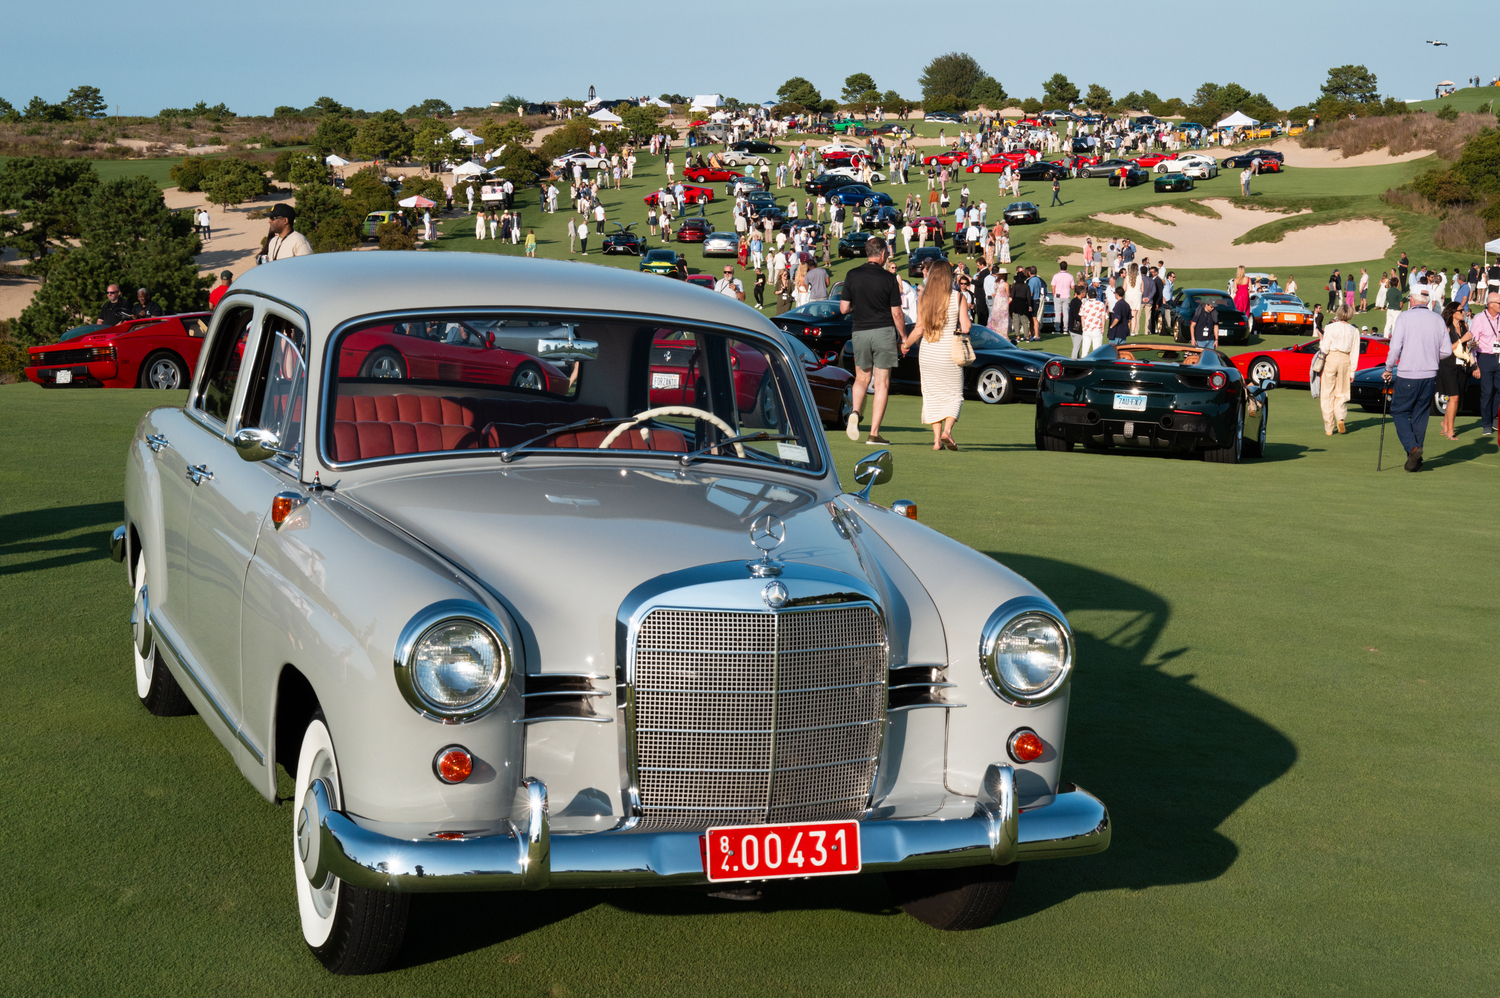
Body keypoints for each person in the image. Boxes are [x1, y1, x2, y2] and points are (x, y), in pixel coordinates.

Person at [839, 236, 905, 445]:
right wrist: (904, 337)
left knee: (861, 379)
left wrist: (857, 306)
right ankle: (874, 433)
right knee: (881, 383)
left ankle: (855, 412)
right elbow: (896, 313)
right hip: (883, 331)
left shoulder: (852, 275)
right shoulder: (889, 278)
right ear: (883, 253)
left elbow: (843, 308)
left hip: (859, 331)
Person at [900, 259, 970, 451]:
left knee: (932, 396)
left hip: (928, 353)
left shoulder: (925, 297)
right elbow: (966, 326)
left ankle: (937, 440)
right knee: (955, 395)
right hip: (950, 353)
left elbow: (918, 329)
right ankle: (948, 430)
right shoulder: (958, 297)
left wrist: (905, 345)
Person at [1383, 288, 1452, 471]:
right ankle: (1415, 462)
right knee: (1420, 416)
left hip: (1408, 373)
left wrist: (1388, 368)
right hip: (1429, 375)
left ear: (1412, 300)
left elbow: (1395, 347)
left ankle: (1413, 449)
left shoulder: (1405, 317)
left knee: (1399, 412)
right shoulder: (1437, 319)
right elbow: (1446, 351)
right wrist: (1430, 356)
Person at [1319, 304, 1360, 435]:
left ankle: (1329, 426)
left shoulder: (1330, 327)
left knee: (1327, 392)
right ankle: (1340, 418)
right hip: (1345, 360)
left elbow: (1324, 348)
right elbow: (1355, 352)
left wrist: (1321, 342)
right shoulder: (1354, 330)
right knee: (1342, 392)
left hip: (1331, 358)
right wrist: (1352, 371)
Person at [1437, 302, 1472, 440]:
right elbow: (1445, 349)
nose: (1464, 313)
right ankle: (1450, 431)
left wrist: (1471, 345)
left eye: (1464, 311)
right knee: (1454, 398)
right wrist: (1462, 339)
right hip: (1448, 366)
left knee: (1457, 397)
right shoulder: (1446, 328)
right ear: (1452, 312)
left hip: (1461, 365)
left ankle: (1445, 423)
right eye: (1461, 311)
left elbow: (1466, 346)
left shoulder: (1465, 326)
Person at [1471, 292, 1500, 436]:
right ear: (1491, 304)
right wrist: (1475, 364)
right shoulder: (1479, 319)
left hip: (1499, 357)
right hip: (1485, 358)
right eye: (1499, 303)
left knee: (1499, 390)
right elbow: (1473, 344)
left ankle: (1494, 417)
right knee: (1487, 392)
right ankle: (1486, 423)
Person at [1050, 260, 1075, 344]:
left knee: (1057, 312)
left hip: (1058, 296)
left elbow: (1053, 286)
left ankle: (1057, 329)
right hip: (1066, 296)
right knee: (1065, 313)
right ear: (1066, 267)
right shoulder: (1070, 276)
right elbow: (1072, 287)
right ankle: (1065, 329)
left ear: (1060, 267)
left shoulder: (1056, 276)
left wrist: (1054, 295)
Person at [1079, 285, 1108, 354]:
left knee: (1085, 351)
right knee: (1096, 352)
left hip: (1087, 330)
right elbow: (1103, 317)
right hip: (1097, 329)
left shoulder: (1084, 304)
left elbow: (1082, 316)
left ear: (1088, 296)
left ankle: (1083, 364)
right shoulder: (1101, 304)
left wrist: (1083, 327)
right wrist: (1103, 329)